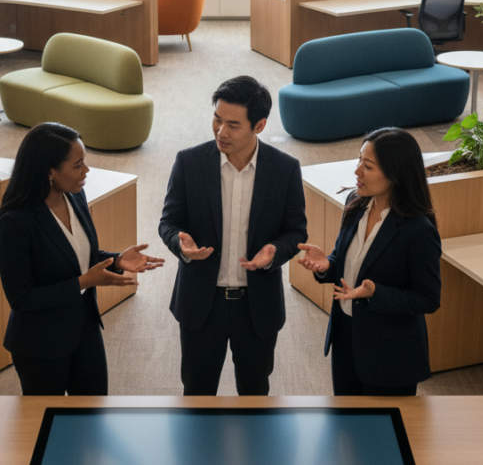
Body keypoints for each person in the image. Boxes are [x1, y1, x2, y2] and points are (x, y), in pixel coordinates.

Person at [158, 75, 307, 396]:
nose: (221, 132)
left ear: (260, 125)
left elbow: (296, 230)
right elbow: (168, 221)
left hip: (257, 308)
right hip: (201, 304)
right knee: (197, 391)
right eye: (216, 119)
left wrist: (275, 250)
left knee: (255, 391)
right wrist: (179, 243)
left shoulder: (285, 169)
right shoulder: (189, 162)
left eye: (233, 125)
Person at [0, 122, 164, 396]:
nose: (86, 171)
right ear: (49, 171)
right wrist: (84, 282)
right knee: (49, 423)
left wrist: (117, 260)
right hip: (40, 344)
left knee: (94, 414)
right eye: (78, 165)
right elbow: (21, 298)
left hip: (85, 328)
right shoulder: (15, 224)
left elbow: (76, 256)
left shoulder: (75, 196)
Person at [296, 127, 441, 396]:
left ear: (396, 173)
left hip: (390, 355)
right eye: (359, 160)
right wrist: (327, 265)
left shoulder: (418, 230)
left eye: (368, 166)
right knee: (347, 427)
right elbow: (345, 262)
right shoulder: (355, 203)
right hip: (347, 338)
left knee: (383, 433)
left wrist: (377, 293)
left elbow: (428, 299)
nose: (357, 171)